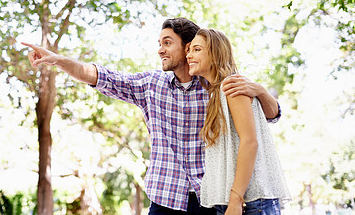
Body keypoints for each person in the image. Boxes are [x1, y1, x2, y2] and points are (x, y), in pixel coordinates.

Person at [22, 17, 281, 214]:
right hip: (166, 198)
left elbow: (269, 117)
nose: (160, 50)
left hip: (212, 199)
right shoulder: (151, 84)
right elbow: (99, 75)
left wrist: (260, 91)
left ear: (188, 47)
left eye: (167, 43)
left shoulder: (218, 85)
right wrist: (58, 60)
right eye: (159, 44)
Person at [186, 28, 290, 215]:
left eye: (197, 49)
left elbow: (250, 142)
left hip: (249, 203)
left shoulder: (232, 86)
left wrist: (235, 199)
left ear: (215, 54)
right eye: (189, 50)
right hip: (232, 201)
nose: (189, 56)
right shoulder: (216, 93)